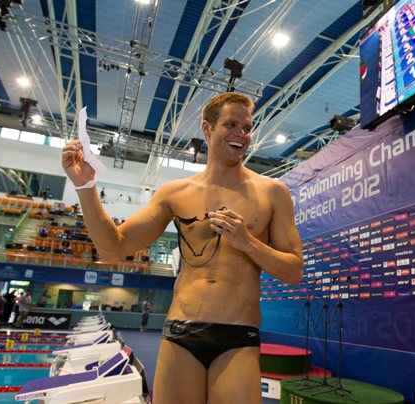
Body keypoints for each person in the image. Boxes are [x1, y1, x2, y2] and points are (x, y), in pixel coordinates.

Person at [62, 92, 303, 403]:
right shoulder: (175, 193)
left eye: (246, 127)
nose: (241, 134)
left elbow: (294, 271)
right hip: (181, 333)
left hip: (237, 337)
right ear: (207, 128)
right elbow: (113, 247)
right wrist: (85, 186)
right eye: (231, 124)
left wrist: (247, 242)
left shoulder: (273, 192)